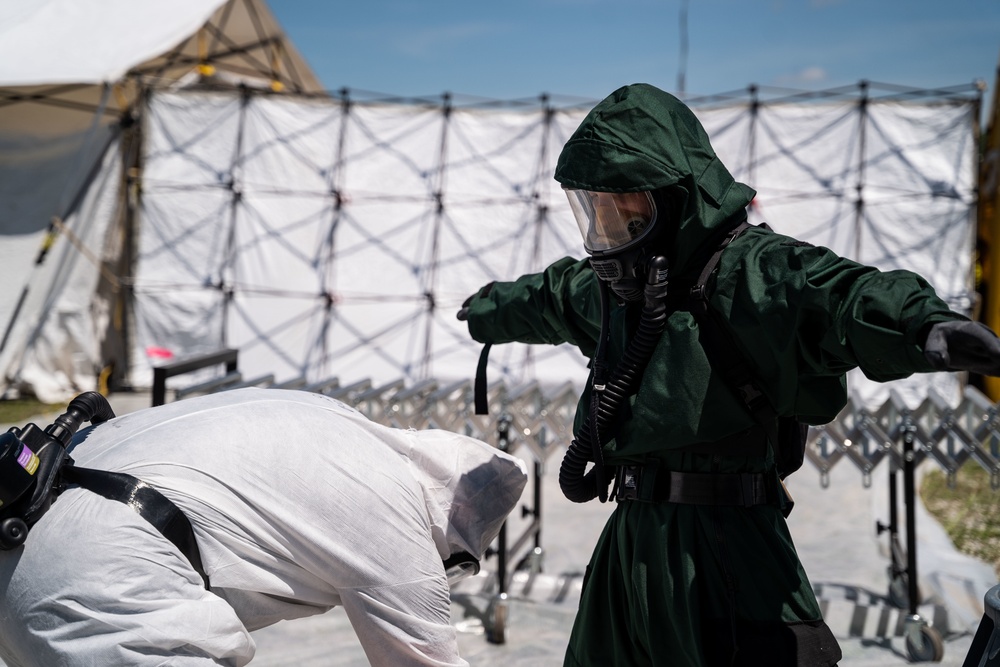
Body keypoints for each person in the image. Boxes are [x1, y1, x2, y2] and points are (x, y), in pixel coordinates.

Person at [457, 83, 1000, 667]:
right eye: (597, 211)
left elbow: (837, 293)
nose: (609, 230)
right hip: (629, 541)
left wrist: (926, 327)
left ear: (674, 197)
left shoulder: (753, 274)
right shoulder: (616, 294)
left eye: (624, 208)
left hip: (728, 549)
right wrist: (489, 309)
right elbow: (550, 295)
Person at [0, 387, 527, 666]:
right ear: (452, 531)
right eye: (452, 567)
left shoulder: (334, 421)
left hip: (22, 539)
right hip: (98, 583)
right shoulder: (400, 524)